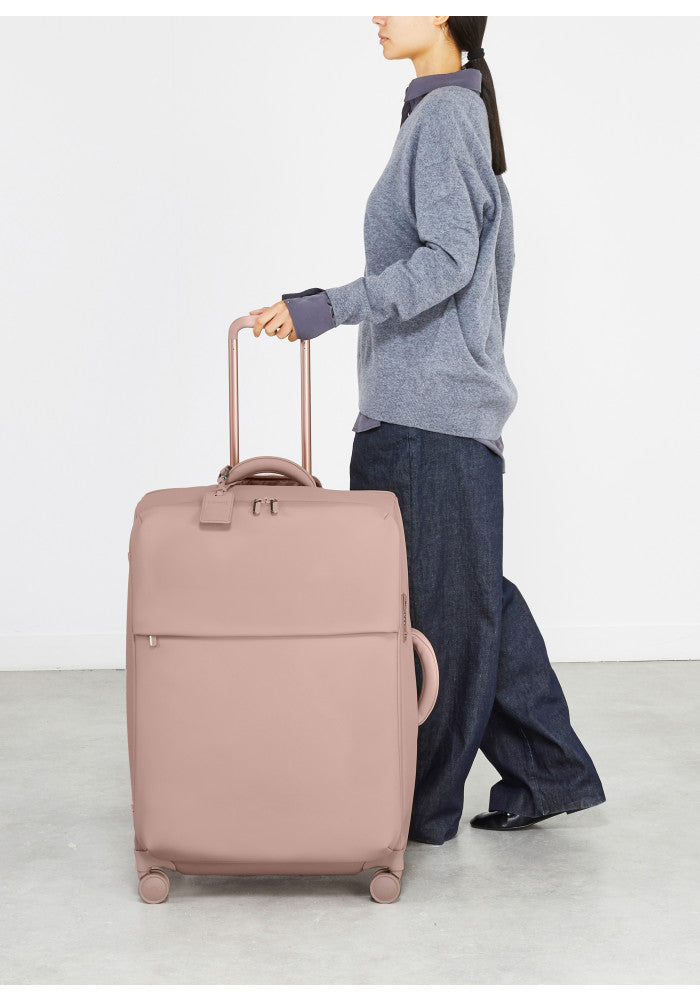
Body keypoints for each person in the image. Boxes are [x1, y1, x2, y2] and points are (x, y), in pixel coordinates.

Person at [249, 15, 606, 845]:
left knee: (440, 616)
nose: (376, 13)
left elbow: (447, 260)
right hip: (433, 415)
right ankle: (550, 772)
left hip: (426, 420)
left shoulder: (445, 118)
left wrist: (330, 307)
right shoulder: (444, 113)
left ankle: (421, 807)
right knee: (470, 600)